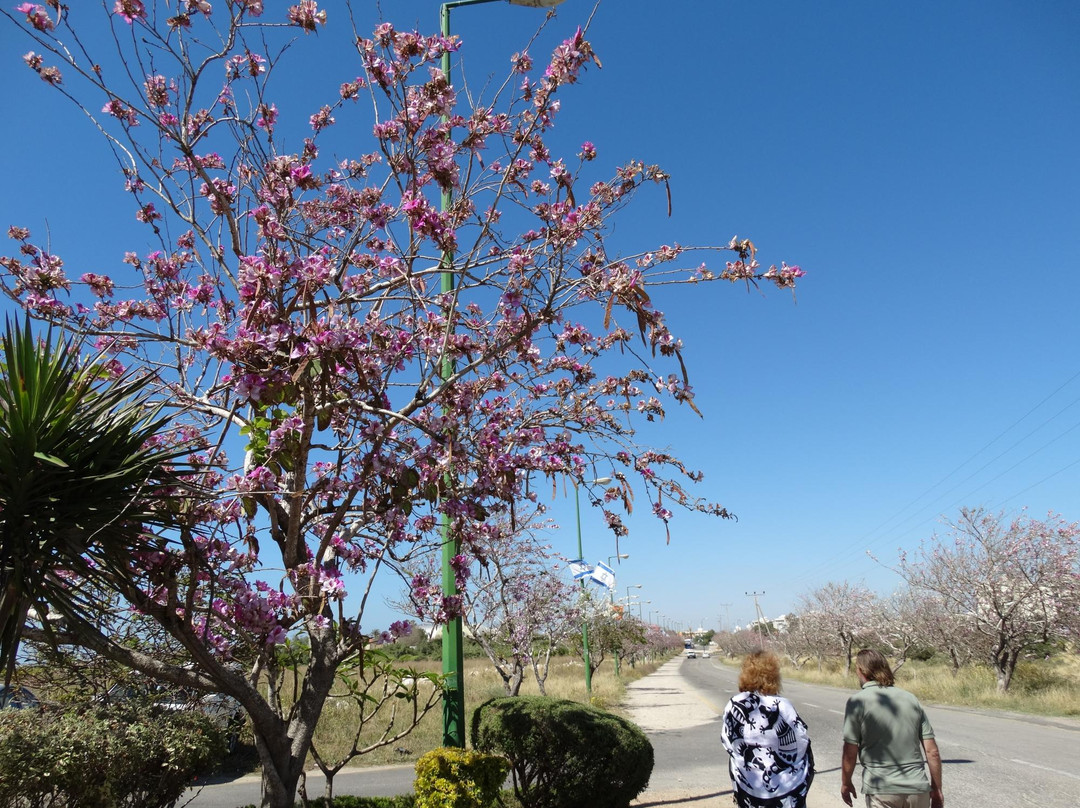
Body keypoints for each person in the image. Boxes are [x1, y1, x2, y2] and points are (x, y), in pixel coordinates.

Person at [841, 649, 944, 808]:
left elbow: (850, 750)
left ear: (861, 671)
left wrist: (846, 783)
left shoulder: (857, 702)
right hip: (918, 788)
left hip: (882, 789)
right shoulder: (911, 699)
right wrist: (937, 790)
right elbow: (932, 752)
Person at [721, 650, 814, 808]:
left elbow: (727, 741)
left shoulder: (734, 703)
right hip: (786, 787)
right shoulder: (782, 705)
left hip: (748, 784)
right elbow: (801, 741)